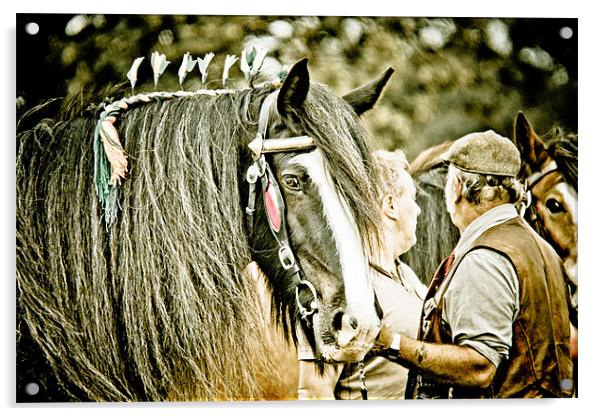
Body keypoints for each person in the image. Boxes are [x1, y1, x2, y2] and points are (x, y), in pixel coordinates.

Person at [374, 130, 574, 398]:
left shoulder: (484, 258)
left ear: (456, 187)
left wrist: (389, 342)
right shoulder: (544, 250)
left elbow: (480, 367)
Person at [296, 149, 427, 400]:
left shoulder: (408, 275)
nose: (419, 210)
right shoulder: (341, 291)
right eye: (413, 198)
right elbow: (314, 392)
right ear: (391, 205)